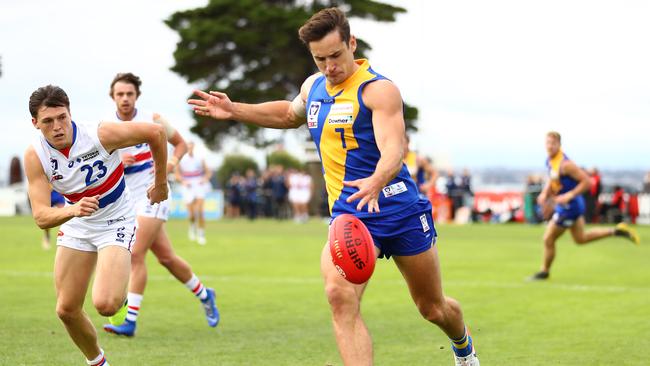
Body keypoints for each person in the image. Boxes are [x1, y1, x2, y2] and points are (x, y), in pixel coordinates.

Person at [188, 8, 479, 365]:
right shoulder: (313, 87)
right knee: (339, 297)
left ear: (351, 44)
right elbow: (287, 115)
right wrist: (235, 110)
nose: (329, 67)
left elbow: (394, 147)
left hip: (399, 208)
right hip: (351, 215)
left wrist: (375, 179)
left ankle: (463, 345)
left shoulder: (378, 90)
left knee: (432, 308)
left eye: (336, 56)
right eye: (320, 59)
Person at [24, 84, 168, 365]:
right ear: (35, 123)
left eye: (62, 117)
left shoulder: (99, 134)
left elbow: (156, 132)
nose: (57, 127)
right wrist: (73, 211)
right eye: (48, 121)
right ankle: (98, 362)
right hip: (78, 225)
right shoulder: (36, 156)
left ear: (70, 113)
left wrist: (160, 183)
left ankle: (122, 300)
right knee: (66, 310)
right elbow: (41, 216)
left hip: (116, 220)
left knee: (106, 304)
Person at [102, 73, 219, 337]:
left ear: (137, 96)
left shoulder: (152, 120)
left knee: (134, 254)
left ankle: (129, 320)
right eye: (120, 94)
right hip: (125, 202)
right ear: (113, 97)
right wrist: (119, 161)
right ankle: (204, 294)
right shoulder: (106, 128)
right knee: (166, 258)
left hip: (154, 195)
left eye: (129, 94)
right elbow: (102, 166)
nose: (125, 99)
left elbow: (179, 145)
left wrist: (170, 165)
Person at [529, 132, 640, 281]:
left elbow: (588, 181)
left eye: (553, 143)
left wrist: (569, 195)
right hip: (568, 206)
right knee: (581, 239)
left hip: (570, 207)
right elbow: (553, 179)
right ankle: (617, 231)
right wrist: (544, 193)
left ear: (559, 145)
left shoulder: (566, 165)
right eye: (547, 143)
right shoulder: (550, 161)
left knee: (548, 239)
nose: (549, 146)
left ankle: (544, 272)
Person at [175, 141, 212, 244]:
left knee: (200, 211)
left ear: (194, 147)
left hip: (199, 185)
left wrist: (204, 179)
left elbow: (208, 172)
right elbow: (177, 175)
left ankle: (201, 235)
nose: (190, 148)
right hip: (187, 186)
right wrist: (183, 181)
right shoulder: (181, 159)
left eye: (191, 146)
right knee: (191, 214)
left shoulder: (200, 158)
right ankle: (192, 227)